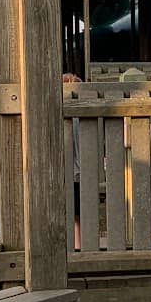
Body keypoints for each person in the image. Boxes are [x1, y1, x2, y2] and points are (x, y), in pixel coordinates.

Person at [63, 73, 82, 249]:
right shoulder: (82, 115)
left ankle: (74, 244)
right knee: (77, 215)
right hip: (79, 171)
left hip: (68, 171)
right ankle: (77, 244)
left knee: (73, 213)